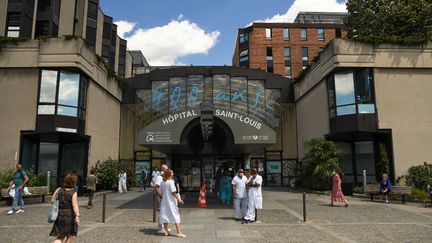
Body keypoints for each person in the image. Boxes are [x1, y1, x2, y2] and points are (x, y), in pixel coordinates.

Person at [50, 173, 80, 243]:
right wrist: (77, 216)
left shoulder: (59, 190)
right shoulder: (73, 192)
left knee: (60, 236)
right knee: (70, 235)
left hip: (59, 215)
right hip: (69, 215)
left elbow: (52, 201)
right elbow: (75, 205)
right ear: (73, 182)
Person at [159, 169, 186, 238]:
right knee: (176, 216)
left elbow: (161, 192)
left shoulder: (162, 182)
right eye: (172, 172)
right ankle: (178, 232)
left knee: (165, 215)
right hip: (171, 202)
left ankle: (166, 231)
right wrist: (179, 199)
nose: (173, 173)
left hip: (164, 201)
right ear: (169, 175)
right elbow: (174, 192)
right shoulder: (171, 182)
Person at [154, 164, 169, 235]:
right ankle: (160, 228)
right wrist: (161, 196)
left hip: (164, 197)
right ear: (163, 169)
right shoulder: (159, 177)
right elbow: (157, 188)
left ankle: (165, 227)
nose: (167, 170)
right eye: (166, 169)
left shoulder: (165, 177)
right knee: (161, 212)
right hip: (161, 197)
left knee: (165, 212)